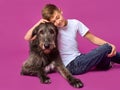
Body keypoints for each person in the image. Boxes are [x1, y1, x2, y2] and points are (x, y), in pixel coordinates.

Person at [24, 4, 120, 75]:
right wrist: (39, 23)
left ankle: (105, 64)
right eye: (54, 21)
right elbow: (27, 37)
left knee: (106, 51)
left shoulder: (75, 23)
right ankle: (106, 60)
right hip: (71, 66)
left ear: (61, 11)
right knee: (106, 48)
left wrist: (111, 45)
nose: (58, 21)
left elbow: (93, 38)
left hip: (79, 58)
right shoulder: (52, 30)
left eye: (58, 17)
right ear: (50, 22)